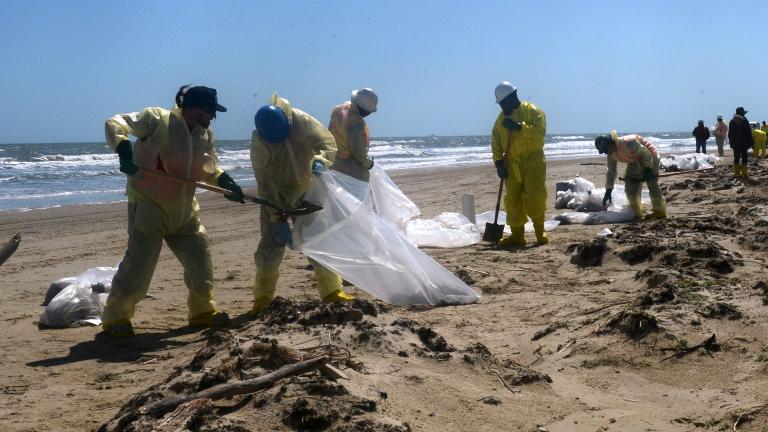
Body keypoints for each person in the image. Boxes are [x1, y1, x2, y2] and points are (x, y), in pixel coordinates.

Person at [102, 85, 244, 337]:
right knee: (138, 266)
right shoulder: (157, 120)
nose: (212, 117)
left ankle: (202, 312)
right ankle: (117, 318)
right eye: (210, 111)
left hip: (185, 209)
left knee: (201, 264)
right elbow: (116, 122)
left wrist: (225, 183)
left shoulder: (205, 135)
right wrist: (123, 148)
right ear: (194, 109)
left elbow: (209, 167)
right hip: (149, 205)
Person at [249, 93, 354, 315]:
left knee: (319, 241)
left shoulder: (301, 121)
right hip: (275, 195)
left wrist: (321, 161)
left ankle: (332, 291)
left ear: (287, 123)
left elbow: (327, 144)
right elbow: (264, 182)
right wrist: (277, 218)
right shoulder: (259, 141)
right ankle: (263, 298)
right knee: (269, 247)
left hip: (306, 189)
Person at [491, 81, 548, 246]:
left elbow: (540, 132)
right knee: (513, 200)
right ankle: (517, 235)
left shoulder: (532, 111)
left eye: (503, 103)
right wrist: (499, 163)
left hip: (533, 161)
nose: (502, 107)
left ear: (512, 97)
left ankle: (539, 231)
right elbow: (495, 143)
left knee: (535, 195)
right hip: (511, 163)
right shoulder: (500, 121)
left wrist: (519, 128)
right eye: (500, 104)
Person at [594, 131, 667, 220]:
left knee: (651, 183)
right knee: (630, 186)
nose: (606, 153)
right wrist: (608, 190)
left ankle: (659, 211)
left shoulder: (629, 143)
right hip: (634, 160)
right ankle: (636, 211)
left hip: (650, 156)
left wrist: (648, 170)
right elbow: (611, 171)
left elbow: (646, 154)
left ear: (611, 144)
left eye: (606, 150)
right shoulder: (611, 153)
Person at [329, 88, 378, 182]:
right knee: (355, 195)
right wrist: (369, 163)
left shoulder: (339, 109)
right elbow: (358, 152)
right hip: (348, 167)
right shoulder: (355, 124)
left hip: (334, 161)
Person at [728, 107, 754, 177]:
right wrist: (751, 143)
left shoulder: (732, 121)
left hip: (735, 144)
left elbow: (730, 134)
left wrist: (731, 143)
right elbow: (748, 133)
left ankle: (736, 174)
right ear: (742, 113)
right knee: (744, 158)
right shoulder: (745, 120)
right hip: (744, 143)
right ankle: (744, 174)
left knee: (736, 158)